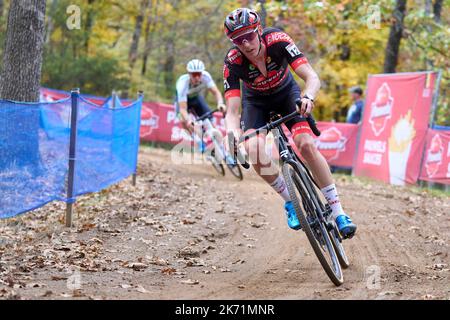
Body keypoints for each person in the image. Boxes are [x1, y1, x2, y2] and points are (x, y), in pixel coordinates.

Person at [222, 8, 356, 238]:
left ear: (259, 31)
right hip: (256, 103)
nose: (245, 44)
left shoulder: (279, 41)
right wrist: (232, 133)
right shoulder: (233, 62)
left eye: (249, 36)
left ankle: (338, 211)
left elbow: (311, 77)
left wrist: (308, 97)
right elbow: (232, 111)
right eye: (238, 40)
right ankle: (291, 201)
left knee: (305, 144)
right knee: (253, 149)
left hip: (287, 95)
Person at [175, 59, 226, 152]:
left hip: (195, 98)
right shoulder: (182, 84)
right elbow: (182, 108)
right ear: (189, 74)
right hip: (183, 101)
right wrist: (188, 120)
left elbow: (216, 92)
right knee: (184, 120)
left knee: (208, 118)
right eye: (194, 75)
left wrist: (220, 103)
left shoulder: (206, 76)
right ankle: (198, 141)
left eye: (199, 74)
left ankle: (221, 148)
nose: (197, 77)